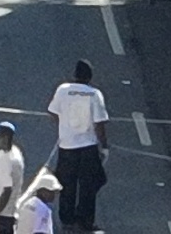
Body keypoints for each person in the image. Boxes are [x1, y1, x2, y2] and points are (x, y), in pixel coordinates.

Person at [46, 60, 109, 229]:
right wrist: (104, 146)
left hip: (67, 146)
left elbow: (52, 113)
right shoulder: (94, 94)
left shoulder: (63, 90)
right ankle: (85, 220)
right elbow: (99, 124)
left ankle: (67, 219)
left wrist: (64, 127)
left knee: (67, 184)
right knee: (91, 183)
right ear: (90, 76)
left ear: (75, 75)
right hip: (88, 147)